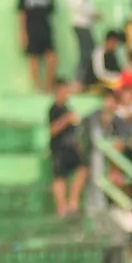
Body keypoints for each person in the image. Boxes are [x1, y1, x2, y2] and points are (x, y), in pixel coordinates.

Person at [47, 79, 86, 218]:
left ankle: (73, 203)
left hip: (71, 147)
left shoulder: (67, 108)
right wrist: (66, 119)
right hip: (59, 149)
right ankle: (61, 208)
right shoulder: (54, 109)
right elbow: (52, 130)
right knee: (60, 177)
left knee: (82, 170)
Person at [17, 0, 57, 93]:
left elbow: (51, 11)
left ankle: (48, 87)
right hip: (31, 29)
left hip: (45, 29)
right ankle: (37, 87)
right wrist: (22, 33)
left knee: (51, 58)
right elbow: (21, 13)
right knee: (33, 59)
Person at [67, 0, 98, 86]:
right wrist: (91, 13)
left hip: (81, 22)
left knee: (87, 52)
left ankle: (82, 80)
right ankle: (79, 81)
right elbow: (77, 3)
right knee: (87, 53)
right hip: (81, 22)